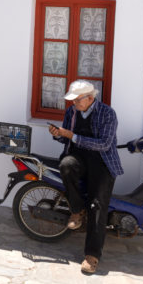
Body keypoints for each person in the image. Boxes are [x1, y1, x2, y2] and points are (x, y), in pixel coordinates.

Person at [47, 80, 122, 274]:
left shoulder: (107, 113)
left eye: (77, 100)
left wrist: (72, 136)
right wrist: (58, 134)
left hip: (102, 161)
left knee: (98, 206)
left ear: (90, 98)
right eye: (72, 100)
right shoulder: (72, 112)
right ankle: (77, 210)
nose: (73, 104)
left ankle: (92, 255)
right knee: (65, 165)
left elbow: (105, 144)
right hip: (78, 157)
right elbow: (66, 138)